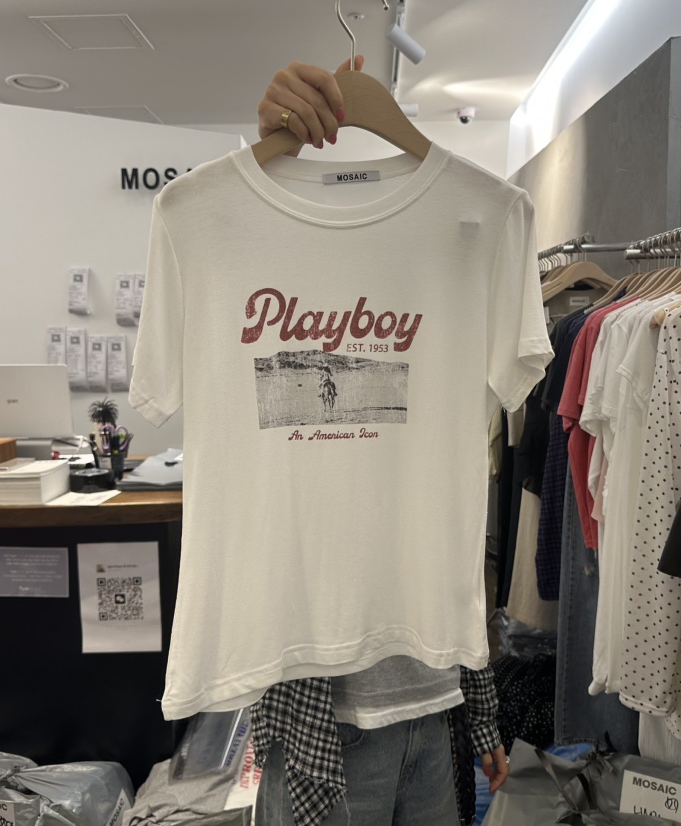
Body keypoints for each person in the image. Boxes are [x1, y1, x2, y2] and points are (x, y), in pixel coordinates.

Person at [249, 58, 511, 826]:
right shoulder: (268, 275)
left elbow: (450, 535)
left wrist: (482, 712)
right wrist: (265, 152)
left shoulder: (460, 259)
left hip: (436, 708)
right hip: (323, 723)